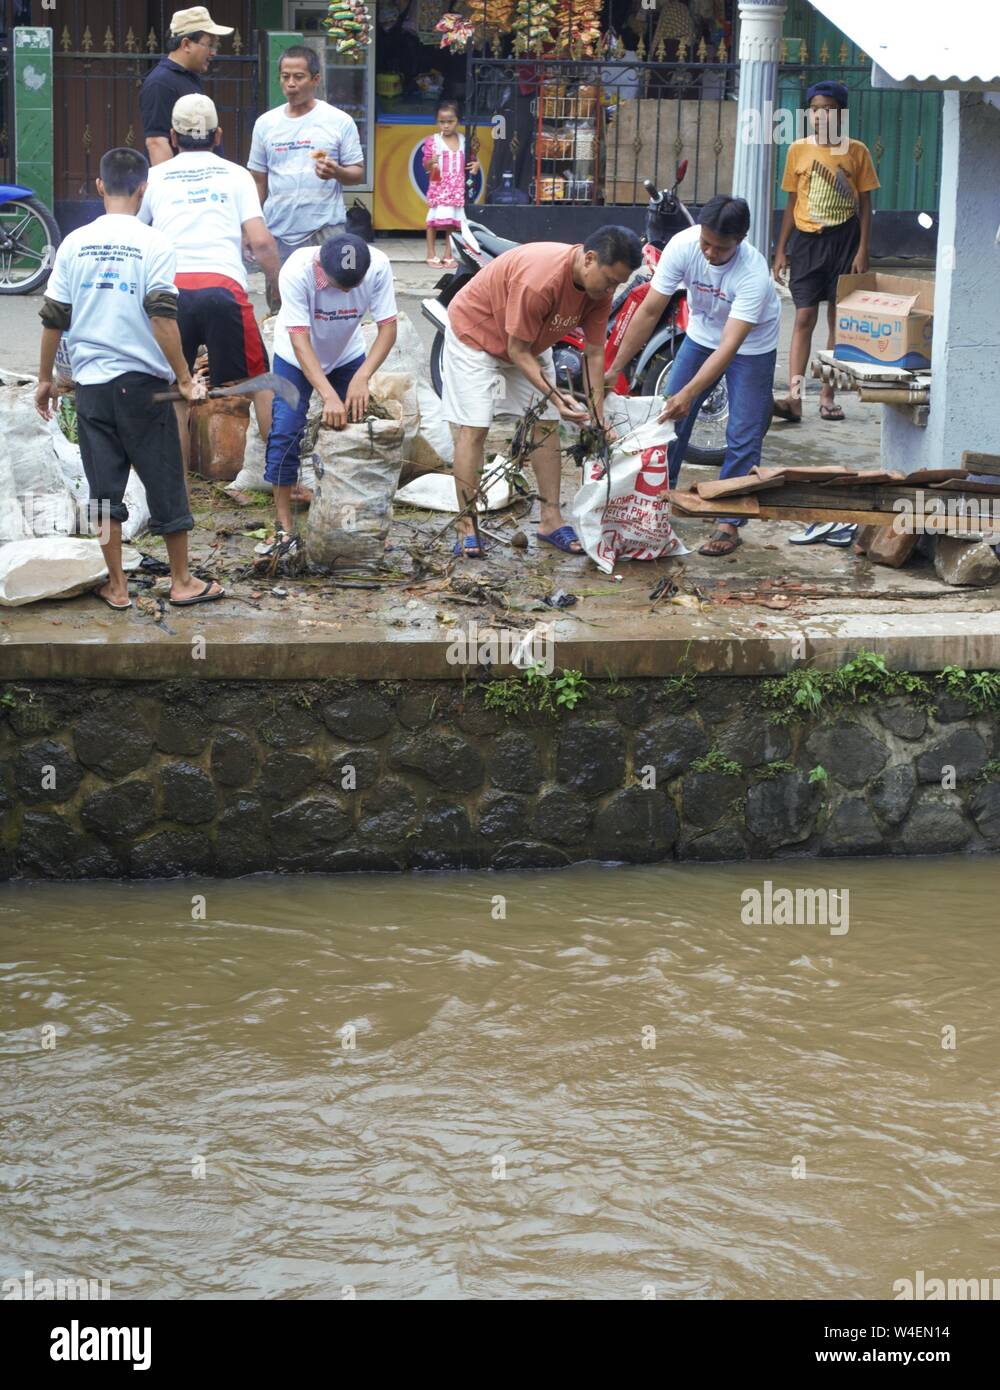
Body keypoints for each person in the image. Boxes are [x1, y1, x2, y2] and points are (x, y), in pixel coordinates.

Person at [34, 147, 221, 610]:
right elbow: (162, 317)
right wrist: (183, 377)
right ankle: (182, 582)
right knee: (165, 484)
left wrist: (46, 379)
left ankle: (116, 587)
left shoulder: (75, 242)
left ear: (100, 187)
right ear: (143, 188)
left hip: (93, 388)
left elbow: (54, 317)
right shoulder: (155, 243)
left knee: (103, 492)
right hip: (145, 388)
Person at [442, 226, 642, 558]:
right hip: (476, 336)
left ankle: (551, 519)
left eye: (618, 284)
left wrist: (597, 414)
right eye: (609, 281)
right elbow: (516, 350)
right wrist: (554, 395)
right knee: (475, 427)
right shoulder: (541, 280)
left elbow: (594, 353)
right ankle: (467, 525)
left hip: (531, 342)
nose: (611, 289)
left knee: (547, 423)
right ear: (589, 259)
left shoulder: (599, 290)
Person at [606, 194, 780, 557]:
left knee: (743, 432)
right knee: (667, 418)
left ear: (741, 239)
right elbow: (650, 309)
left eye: (720, 248)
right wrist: (615, 367)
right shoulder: (683, 246)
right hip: (701, 334)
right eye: (706, 243)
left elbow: (729, 348)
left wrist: (690, 393)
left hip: (751, 345)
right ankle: (658, 502)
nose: (710, 253)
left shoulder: (753, 274)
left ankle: (728, 522)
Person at [138, 94, 280, 464]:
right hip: (225, 290)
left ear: (172, 136)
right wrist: (276, 290)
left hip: (170, 295)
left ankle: (179, 496)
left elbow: (135, 238)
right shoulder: (237, 175)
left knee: (176, 390)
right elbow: (262, 242)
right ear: (218, 135)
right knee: (261, 383)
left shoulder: (153, 178)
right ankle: (286, 477)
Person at [265, 233, 398, 544]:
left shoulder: (378, 266)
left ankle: (353, 512)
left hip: (347, 354)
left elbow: (388, 329)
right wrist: (328, 396)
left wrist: (362, 377)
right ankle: (283, 521)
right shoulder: (296, 271)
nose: (348, 294)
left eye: (353, 287)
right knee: (286, 429)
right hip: (295, 357)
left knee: (359, 429)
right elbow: (300, 341)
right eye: (342, 287)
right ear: (321, 268)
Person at [772, 81, 879, 423]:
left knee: (837, 318)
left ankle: (828, 394)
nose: (820, 116)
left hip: (844, 241)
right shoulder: (798, 150)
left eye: (828, 110)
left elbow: (865, 203)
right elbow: (791, 201)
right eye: (815, 110)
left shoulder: (856, 151)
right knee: (804, 317)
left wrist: (862, 249)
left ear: (841, 114)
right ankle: (794, 397)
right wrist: (781, 249)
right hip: (806, 243)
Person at [247, 44, 365, 265]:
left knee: (331, 297)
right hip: (278, 231)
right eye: (285, 76)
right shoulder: (265, 124)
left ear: (315, 79)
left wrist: (337, 172)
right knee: (282, 298)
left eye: (299, 77)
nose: (291, 83)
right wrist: (252, 226)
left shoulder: (339, 121)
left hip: (326, 230)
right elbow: (258, 181)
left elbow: (357, 172)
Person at [139, 6, 232, 167]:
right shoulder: (160, 83)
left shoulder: (186, 77)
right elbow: (156, 142)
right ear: (186, 44)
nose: (213, 52)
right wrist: (174, 188)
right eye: (209, 45)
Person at [422, 100, 477, 268]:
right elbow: (425, 165)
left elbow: (472, 161)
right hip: (439, 188)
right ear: (437, 122)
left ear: (458, 121)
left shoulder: (464, 141)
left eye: (450, 121)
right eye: (442, 122)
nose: (446, 125)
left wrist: (476, 166)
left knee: (452, 223)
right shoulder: (433, 141)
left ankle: (448, 254)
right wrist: (431, 161)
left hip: (457, 188)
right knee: (433, 222)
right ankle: (431, 254)